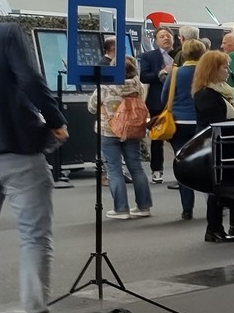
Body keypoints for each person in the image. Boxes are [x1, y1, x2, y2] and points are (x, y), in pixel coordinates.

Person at [0, 0, 69, 313]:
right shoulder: (4, 34)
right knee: (34, 239)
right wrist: (56, 121)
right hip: (17, 148)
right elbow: (31, 80)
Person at [192, 50, 234, 244]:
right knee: (218, 188)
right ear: (213, 69)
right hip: (216, 147)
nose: (228, 71)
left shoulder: (223, 90)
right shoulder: (206, 94)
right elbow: (215, 123)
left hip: (230, 145)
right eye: (225, 67)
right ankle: (214, 229)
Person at [88, 56, 154, 221]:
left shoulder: (105, 86)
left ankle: (121, 209)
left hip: (109, 131)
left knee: (114, 169)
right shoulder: (138, 86)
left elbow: (92, 107)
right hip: (132, 130)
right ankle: (144, 206)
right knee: (136, 167)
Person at [170, 38, 206, 221]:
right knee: (207, 162)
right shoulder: (206, 72)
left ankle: (187, 208)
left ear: (183, 53)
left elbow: (164, 96)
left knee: (182, 163)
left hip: (179, 122)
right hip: (201, 122)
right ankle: (213, 204)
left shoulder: (176, 73)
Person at [139, 28, 175, 183]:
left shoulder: (180, 54)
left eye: (168, 35)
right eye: (162, 36)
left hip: (176, 101)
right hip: (157, 101)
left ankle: (181, 169)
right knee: (157, 137)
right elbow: (144, 76)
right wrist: (161, 72)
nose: (166, 38)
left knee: (179, 137)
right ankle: (157, 170)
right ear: (156, 40)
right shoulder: (149, 56)